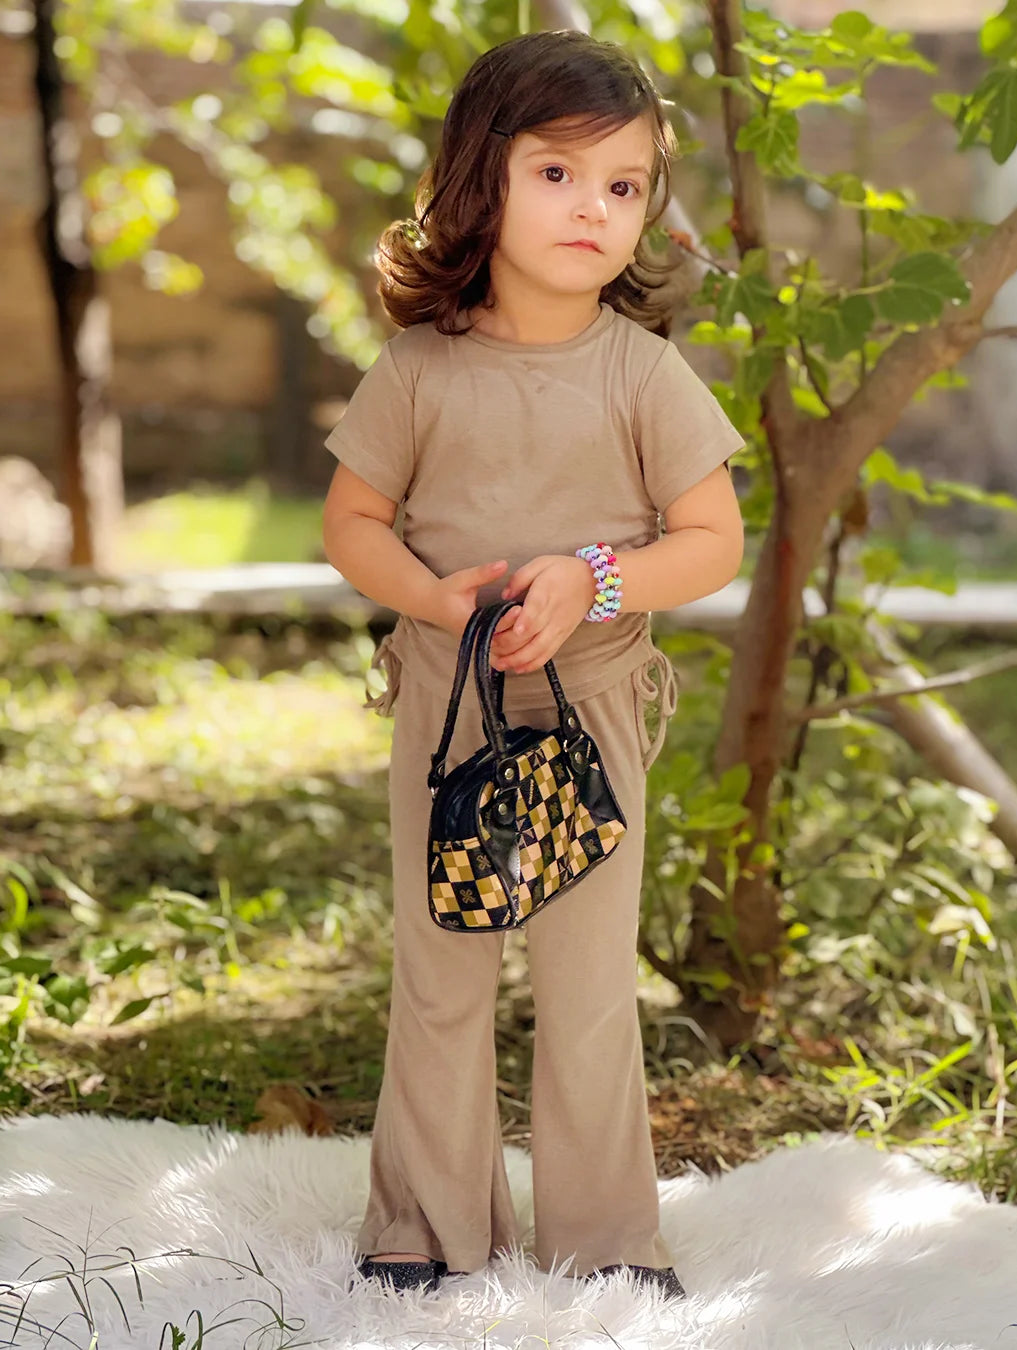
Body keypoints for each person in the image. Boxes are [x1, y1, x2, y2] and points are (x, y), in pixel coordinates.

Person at [321, 29, 746, 1302]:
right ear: (478, 185)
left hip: (596, 710)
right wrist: (431, 597)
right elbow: (353, 525)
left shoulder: (642, 374)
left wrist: (590, 580)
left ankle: (608, 1234)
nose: (593, 210)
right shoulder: (418, 370)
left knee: (585, 982)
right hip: (449, 713)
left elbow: (712, 541)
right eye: (559, 174)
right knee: (443, 965)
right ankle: (427, 1223)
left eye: (624, 187)